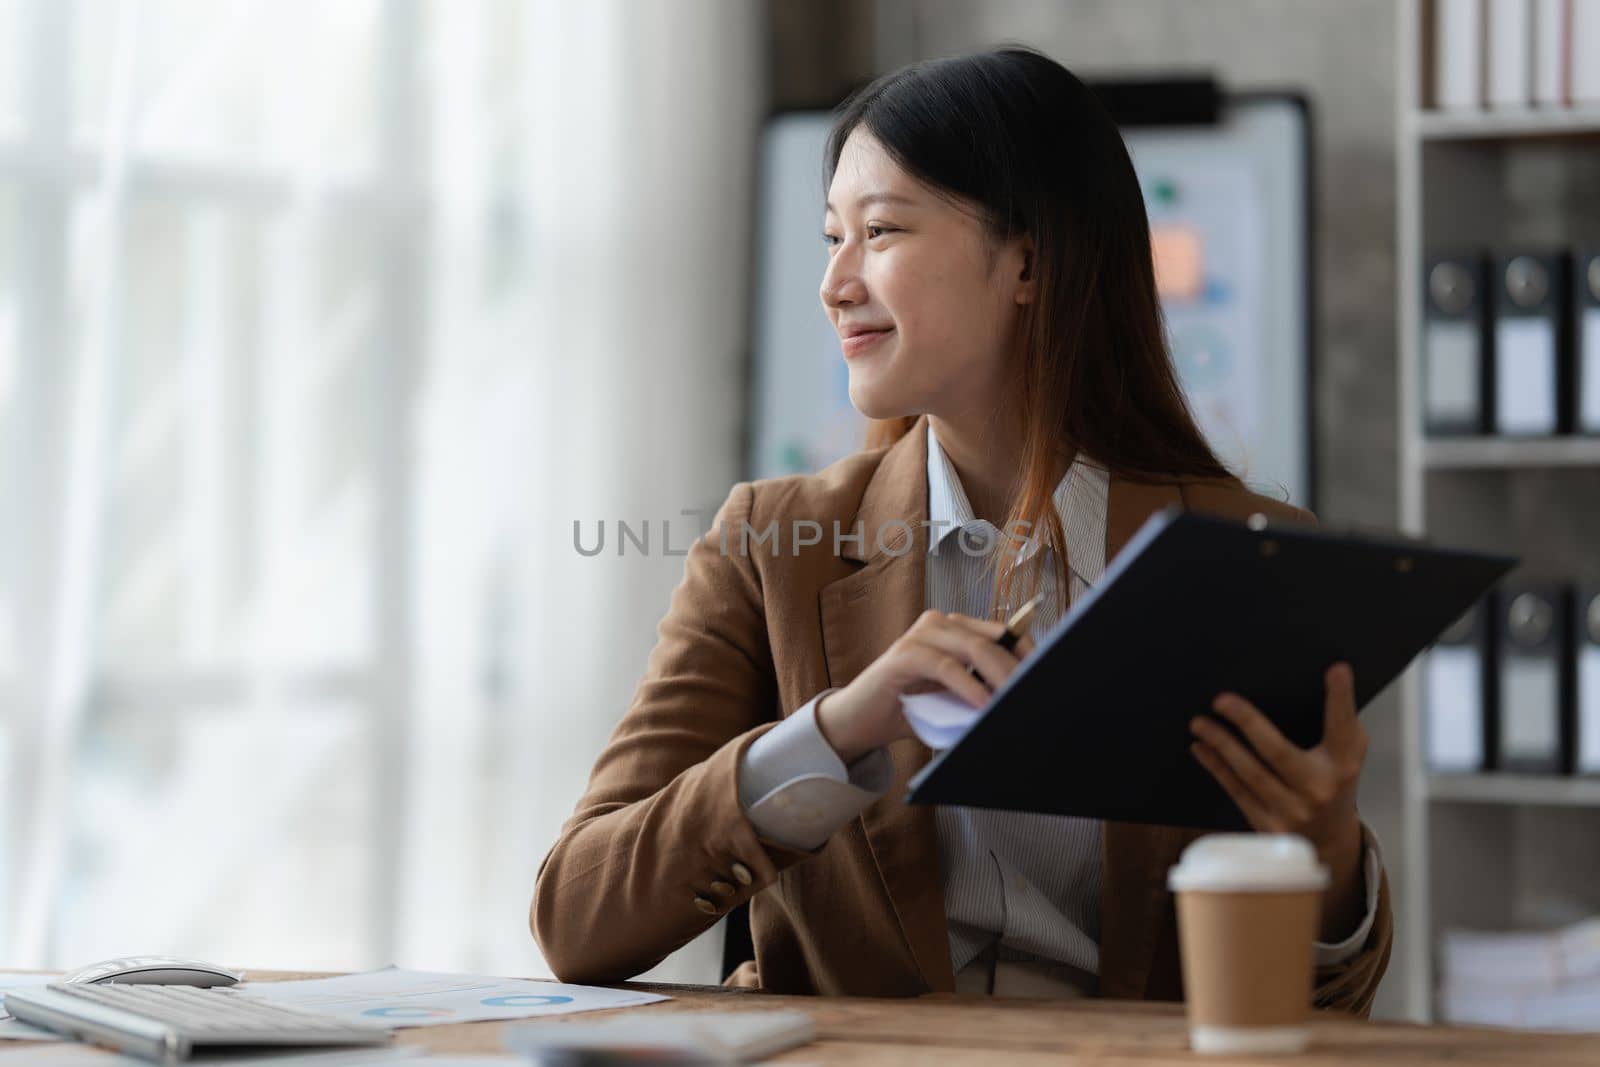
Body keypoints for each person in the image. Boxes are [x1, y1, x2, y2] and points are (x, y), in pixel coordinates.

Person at [531, 46, 1390, 1012]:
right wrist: (836, 728)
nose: (835, 282)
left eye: (882, 231)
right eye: (830, 238)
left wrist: (1327, 851)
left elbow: (1329, 1004)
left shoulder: (1247, 555)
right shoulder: (772, 546)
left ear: (1028, 260)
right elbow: (576, 917)